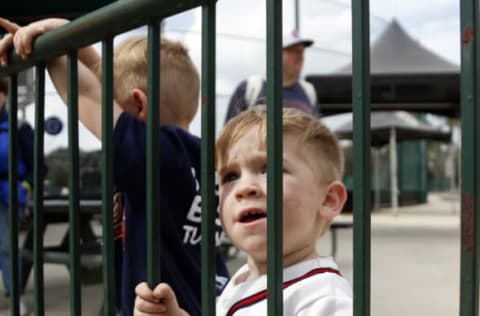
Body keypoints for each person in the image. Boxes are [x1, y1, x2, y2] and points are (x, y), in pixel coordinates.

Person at [0, 18, 229, 316]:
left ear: (138, 106)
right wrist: (65, 29)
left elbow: (84, 94)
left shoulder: (153, 153)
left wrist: (48, 48)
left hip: (161, 307)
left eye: (116, 108)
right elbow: (101, 77)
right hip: (206, 299)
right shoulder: (199, 156)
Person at [134, 106, 353, 315]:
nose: (244, 188)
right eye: (230, 176)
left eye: (270, 169)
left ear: (328, 200)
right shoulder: (243, 279)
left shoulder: (324, 298)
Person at [224, 30, 318, 123]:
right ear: (275, 52)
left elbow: (317, 133)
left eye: (301, 51)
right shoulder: (250, 87)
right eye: (292, 50)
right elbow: (230, 134)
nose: (299, 56)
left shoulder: (309, 91)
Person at [0, 75, 33, 316]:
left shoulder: (18, 128)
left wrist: (25, 190)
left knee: (7, 247)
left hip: (7, 195)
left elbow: (36, 167)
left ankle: (15, 299)